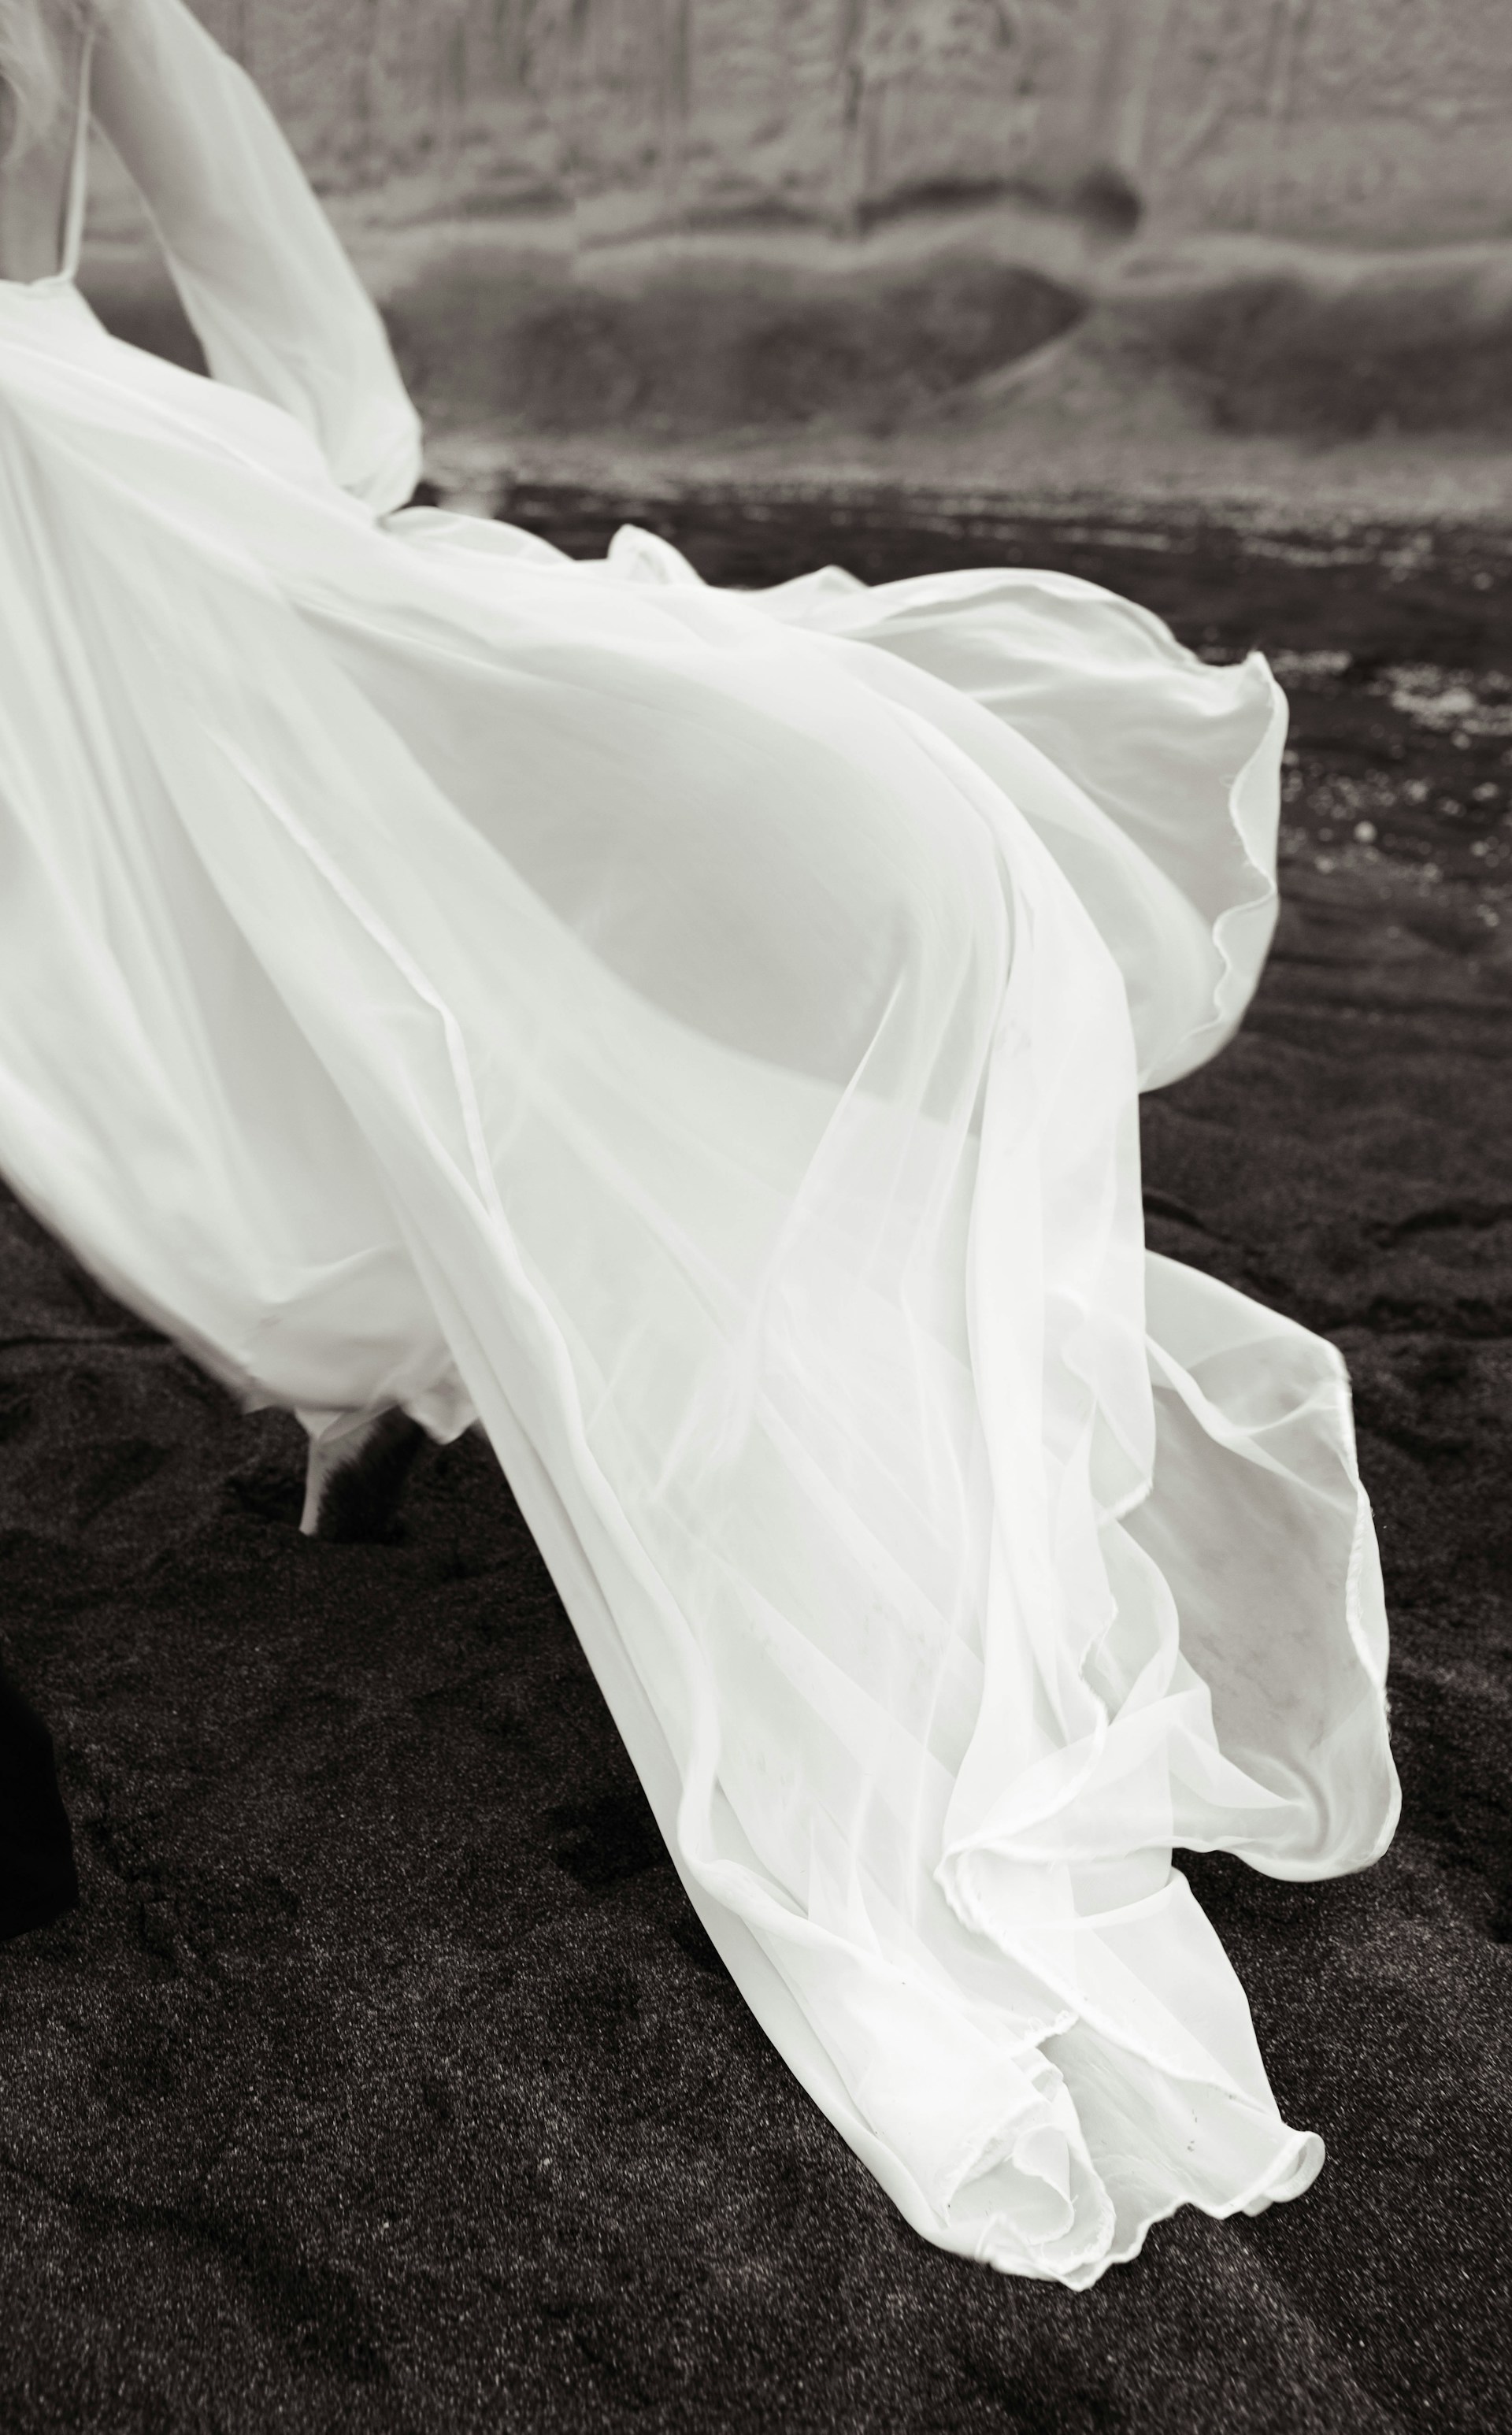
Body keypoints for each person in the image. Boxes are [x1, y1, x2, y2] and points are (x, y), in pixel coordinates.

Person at [0, 0, 1399, 2284]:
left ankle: (388, 1377)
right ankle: (381, 1382)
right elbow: (239, 198)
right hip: (108, 481)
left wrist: (326, 506)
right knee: (300, 960)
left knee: (299, 972)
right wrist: (334, 475)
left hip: (72, 519)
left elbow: (214, 164)